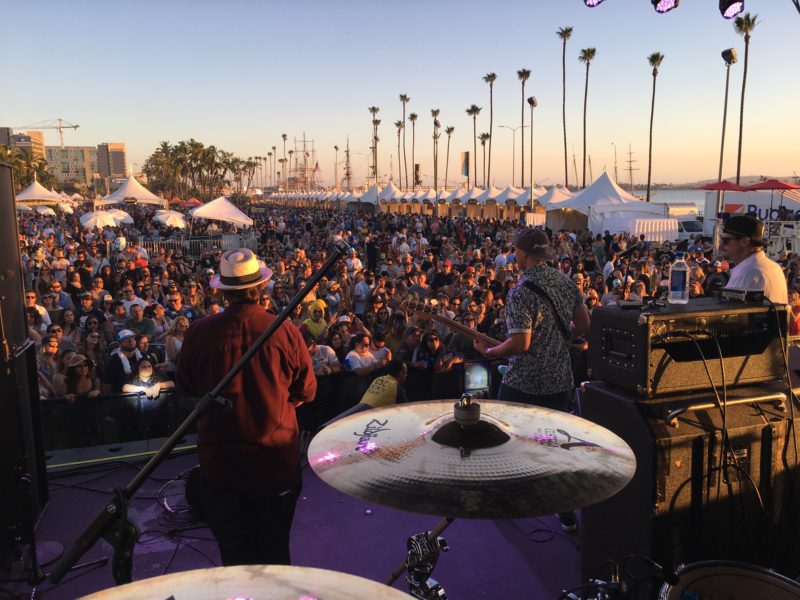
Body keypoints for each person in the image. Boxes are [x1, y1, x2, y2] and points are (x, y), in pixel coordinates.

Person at [176, 248, 316, 567]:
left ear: (222, 292)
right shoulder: (284, 331)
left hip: (222, 466)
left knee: (235, 558)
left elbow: (186, 390)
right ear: (261, 287)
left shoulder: (199, 332)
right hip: (275, 463)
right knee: (275, 552)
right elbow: (306, 391)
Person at [473, 227, 589, 533]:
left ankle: (503, 497)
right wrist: (556, 338)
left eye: (515, 251)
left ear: (523, 253)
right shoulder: (566, 282)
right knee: (552, 444)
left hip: (524, 380)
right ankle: (565, 513)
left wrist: (490, 350)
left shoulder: (520, 291)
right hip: (560, 378)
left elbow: (520, 343)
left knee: (503, 438)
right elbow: (583, 324)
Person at [721, 216, 788, 304]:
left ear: (744, 241)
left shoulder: (747, 273)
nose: (721, 245)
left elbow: (731, 310)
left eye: (725, 240)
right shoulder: (774, 267)